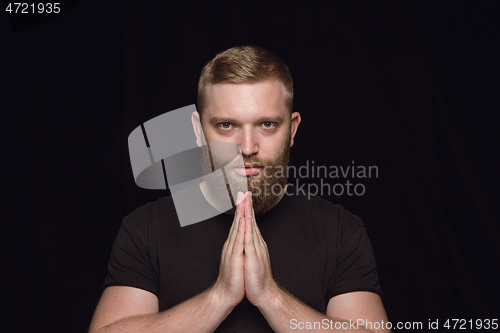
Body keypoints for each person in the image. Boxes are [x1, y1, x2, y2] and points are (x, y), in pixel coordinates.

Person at [89, 46, 390, 332]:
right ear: (197, 130)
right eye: (226, 125)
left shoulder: (340, 231)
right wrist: (219, 297)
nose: (247, 147)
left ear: (293, 129)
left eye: (267, 124)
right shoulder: (146, 229)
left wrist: (271, 297)